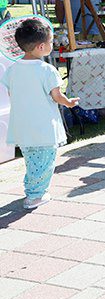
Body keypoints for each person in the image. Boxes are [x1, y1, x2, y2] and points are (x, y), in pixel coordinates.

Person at [1, 19, 79, 209]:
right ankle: (35, 195)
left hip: (22, 126)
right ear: (41, 46)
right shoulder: (47, 70)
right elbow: (57, 95)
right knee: (44, 163)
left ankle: (33, 191)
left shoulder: (12, 70)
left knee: (32, 161)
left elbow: (12, 94)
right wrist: (68, 103)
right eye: (51, 42)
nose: (52, 45)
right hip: (43, 126)